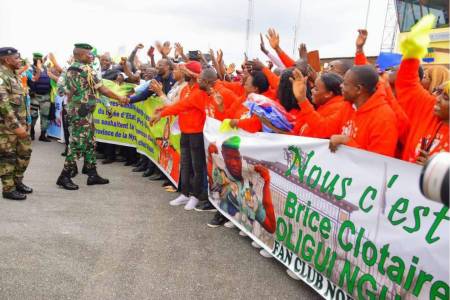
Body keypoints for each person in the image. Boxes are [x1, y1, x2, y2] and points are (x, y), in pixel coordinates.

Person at [56, 43, 128, 190]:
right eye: (89, 54)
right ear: (81, 55)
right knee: (77, 144)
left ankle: (92, 172)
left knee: (89, 142)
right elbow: (102, 89)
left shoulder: (70, 68)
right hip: (81, 112)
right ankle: (64, 176)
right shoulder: (85, 69)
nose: (92, 56)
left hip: (81, 110)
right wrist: (120, 97)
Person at [149, 61, 207, 211]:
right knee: (186, 164)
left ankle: (195, 196)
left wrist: (161, 114)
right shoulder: (185, 88)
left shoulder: (200, 91)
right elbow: (178, 105)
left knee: (197, 166)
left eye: (184, 70)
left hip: (197, 132)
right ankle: (185, 193)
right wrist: (162, 109)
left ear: (192, 73)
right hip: (185, 131)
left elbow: (184, 105)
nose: (182, 72)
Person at [315, 65, 399, 157]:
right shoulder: (348, 106)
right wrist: (302, 100)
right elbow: (324, 129)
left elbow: (379, 162)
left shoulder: (384, 118)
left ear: (358, 89)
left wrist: (347, 142)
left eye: (345, 84)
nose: (340, 86)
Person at [0, 47, 33, 200]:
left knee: (24, 153)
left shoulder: (14, 75)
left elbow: (22, 102)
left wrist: (26, 123)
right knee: (8, 157)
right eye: (17, 58)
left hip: (21, 125)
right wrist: (16, 126)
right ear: (7, 60)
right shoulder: (1, 76)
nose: (20, 60)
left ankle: (17, 181)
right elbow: (3, 105)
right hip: (6, 128)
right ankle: (8, 188)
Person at [294, 72, 353, 138]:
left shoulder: (340, 106)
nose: (312, 90)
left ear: (328, 94)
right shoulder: (325, 104)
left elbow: (324, 130)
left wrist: (302, 100)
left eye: (316, 89)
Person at [28, 52, 52, 142]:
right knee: (33, 116)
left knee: (45, 116)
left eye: (40, 59)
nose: (38, 61)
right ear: (34, 60)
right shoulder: (30, 68)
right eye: (37, 59)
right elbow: (33, 79)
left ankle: (43, 135)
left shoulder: (46, 68)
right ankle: (31, 132)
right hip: (35, 96)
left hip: (46, 96)